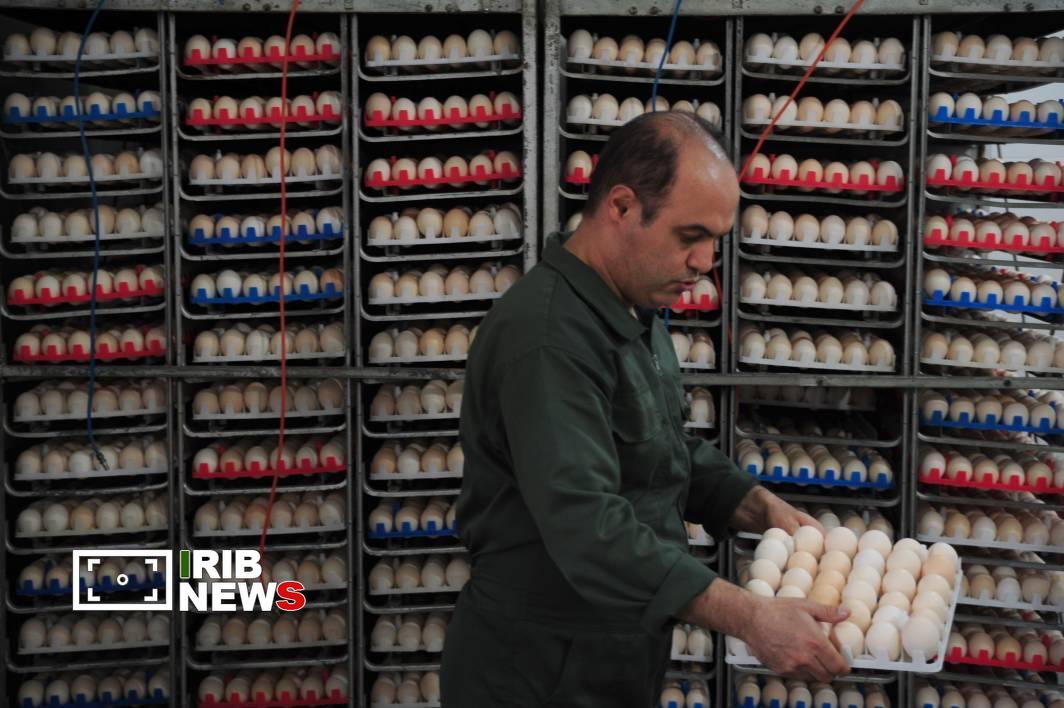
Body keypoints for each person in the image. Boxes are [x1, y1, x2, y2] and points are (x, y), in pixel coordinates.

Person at [440, 111, 850, 708]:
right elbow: (588, 526)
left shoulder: (628, 307)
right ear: (622, 206)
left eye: (716, 239)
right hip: (540, 667)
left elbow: (655, 445)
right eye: (690, 236)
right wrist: (749, 616)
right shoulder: (549, 338)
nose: (705, 262)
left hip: (609, 650)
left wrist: (756, 504)